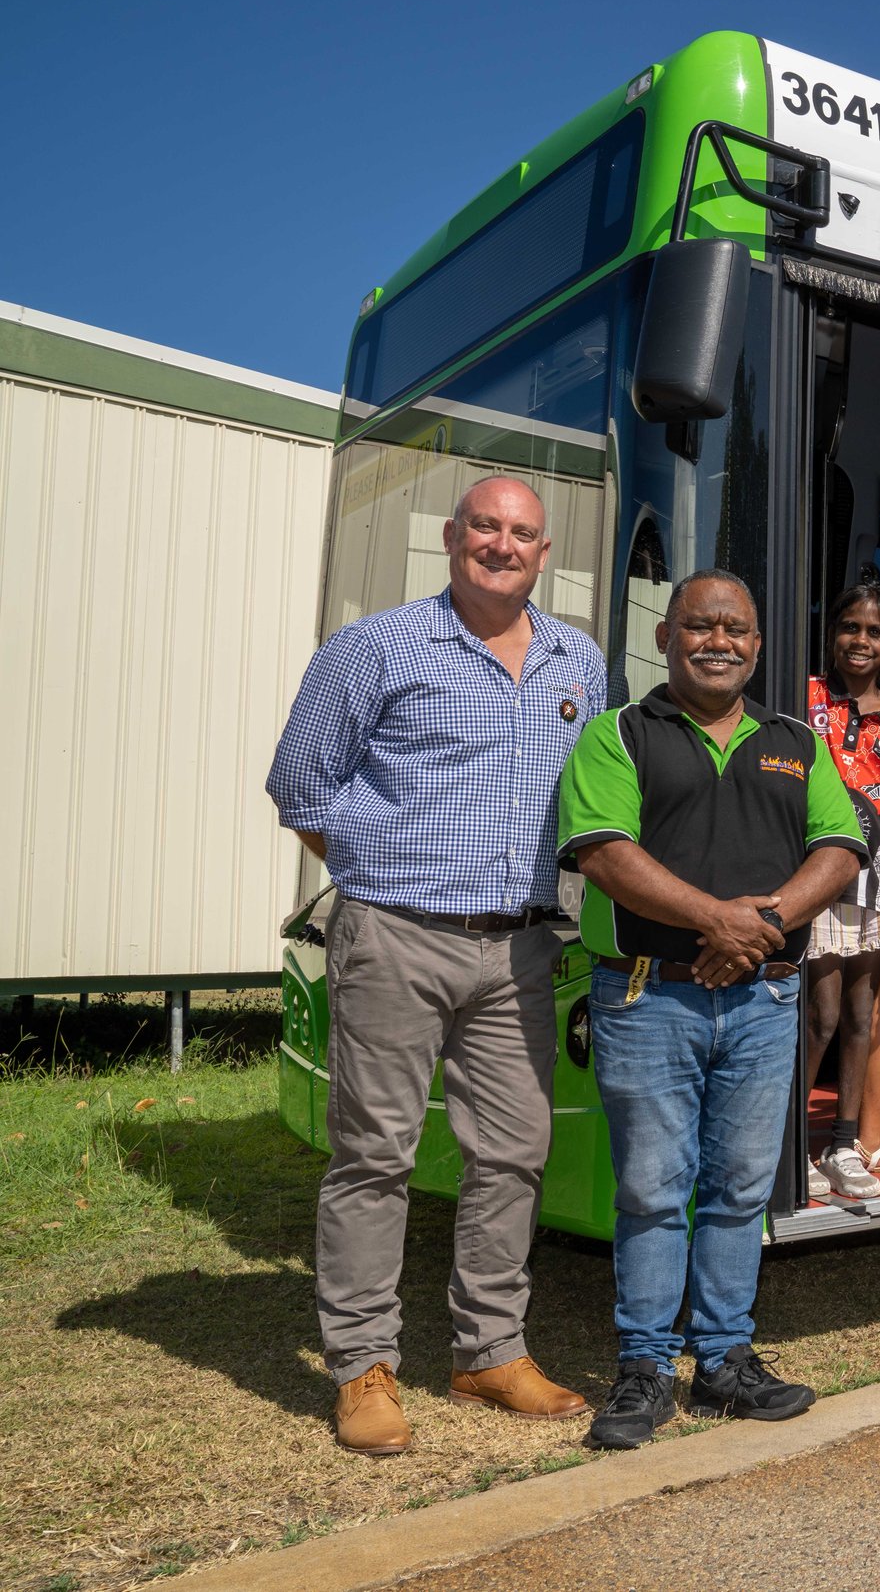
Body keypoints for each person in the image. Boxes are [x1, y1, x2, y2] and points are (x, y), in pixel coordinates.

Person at [266, 476, 601, 1456]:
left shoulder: (577, 659)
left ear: (546, 554)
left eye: (523, 532)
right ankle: (363, 1366)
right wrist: (381, 876)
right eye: (486, 525)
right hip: (397, 934)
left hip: (522, 946)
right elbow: (300, 781)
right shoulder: (373, 647)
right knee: (375, 1153)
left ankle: (490, 1348)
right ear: (453, 537)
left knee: (513, 1150)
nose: (503, 543)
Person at [558, 569, 867, 1449]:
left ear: (758, 644)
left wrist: (761, 926)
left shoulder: (795, 740)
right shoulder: (619, 734)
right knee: (654, 1188)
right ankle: (646, 1369)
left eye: (736, 627)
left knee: (737, 1189)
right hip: (649, 993)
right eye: (700, 625)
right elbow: (604, 852)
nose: (718, 640)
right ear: (666, 637)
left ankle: (725, 1360)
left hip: (765, 997)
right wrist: (722, 921)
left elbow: (840, 847)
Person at [803, 584, 880, 1202]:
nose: (861, 641)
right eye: (850, 627)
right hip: (813, 886)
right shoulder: (807, 697)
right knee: (818, 1017)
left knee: (861, 1015)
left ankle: (842, 1144)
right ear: (833, 634)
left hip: (878, 889)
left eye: (875, 633)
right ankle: (793, 1141)